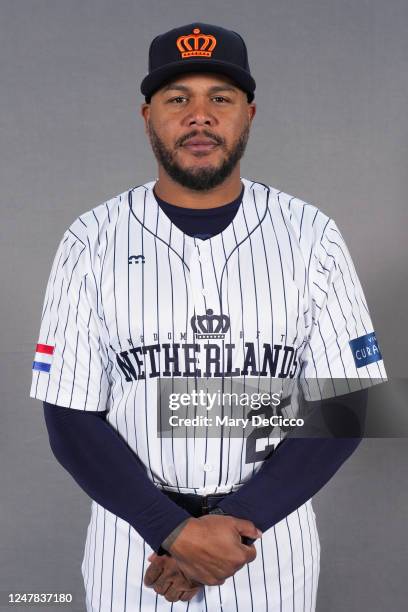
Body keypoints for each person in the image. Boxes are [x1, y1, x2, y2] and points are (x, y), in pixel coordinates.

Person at [30, 22, 387, 611]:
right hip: (136, 545)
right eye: (178, 99)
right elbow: (68, 417)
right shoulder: (90, 239)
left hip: (268, 539)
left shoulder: (312, 236)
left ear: (249, 112)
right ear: (147, 116)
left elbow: (347, 406)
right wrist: (171, 532)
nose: (200, 116)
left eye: (219, 98)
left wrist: (238, 522)